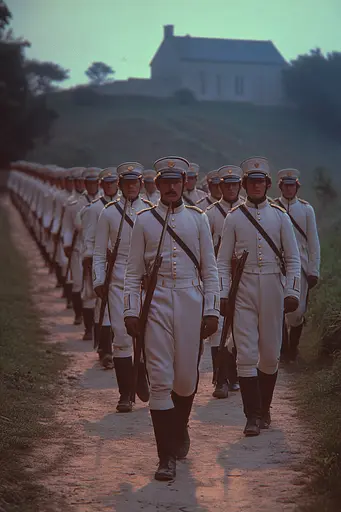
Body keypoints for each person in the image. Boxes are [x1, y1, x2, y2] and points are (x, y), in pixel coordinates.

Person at [123, 156, 220, 481]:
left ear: (184, 183)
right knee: (161, 381)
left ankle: (179, 427)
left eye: (176, 182)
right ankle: (165, 457)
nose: (171, 188)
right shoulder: (144, 220)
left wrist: (211, 310)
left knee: (185, 380)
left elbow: (210, 269)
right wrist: (130, 310)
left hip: (191, 299)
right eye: (165, 182)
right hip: (157, 303)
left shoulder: (198, 219)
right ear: (158, 185)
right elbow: (132, 271)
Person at [217, 156, 301, 437]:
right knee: (246, 354)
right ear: (244, 185)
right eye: (250, 181)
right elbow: (221, 260)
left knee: (269, 355)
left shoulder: (280, 216)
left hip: (273, 287)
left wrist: (292, 290)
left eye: (260, 181)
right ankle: (251, 415)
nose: (255, 186)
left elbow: (293, 259)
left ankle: (265, 408)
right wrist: (224, 294)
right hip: (244, 287)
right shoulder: (234, 217)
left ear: (267, 184)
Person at [93, 162, 152, 412]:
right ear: (120, 185)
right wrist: (98, 280)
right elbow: (98, 251)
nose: (131, 186)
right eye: (126, 182)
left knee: (148, 337)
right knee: (121, 336)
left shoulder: (150, 211)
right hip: (118, 281)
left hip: (145, 283)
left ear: (140, 184)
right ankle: (125, 394)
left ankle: (140, 376)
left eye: (135, 182)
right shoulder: (108, 213)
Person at [206, 166, 244, 398]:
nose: (230, 188)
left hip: (245, 275)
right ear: (220, 187)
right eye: (226, 185)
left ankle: (235, 374)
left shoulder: (246, 211)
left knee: (240, 326)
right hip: (218, 274)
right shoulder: (210, 214)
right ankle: (220, 379)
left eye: (234, 184)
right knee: (218, 327)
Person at [275, 168, 320, 361]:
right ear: (280, 187)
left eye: (292, 185)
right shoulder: (273, 208)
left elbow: (313, 242)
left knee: (298, 311)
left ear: (297, 187)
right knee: (278, 308)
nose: (289, 189)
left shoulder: (306, 209)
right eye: (286, 185)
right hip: (278, 264)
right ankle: (284, 350)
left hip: (300, 266)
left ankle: (294, 347)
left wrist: (313, 269)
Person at [81, 167, 120, 367]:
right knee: (102, 307)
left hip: (122, 264)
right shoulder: (95, 208)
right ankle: (105, 349)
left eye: (113, 183)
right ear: (101, 185)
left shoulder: (124, 206)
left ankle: (115, 347)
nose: (110, 186)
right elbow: (89, 237)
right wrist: (90, 258)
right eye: (106, 183)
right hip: (102, 261)